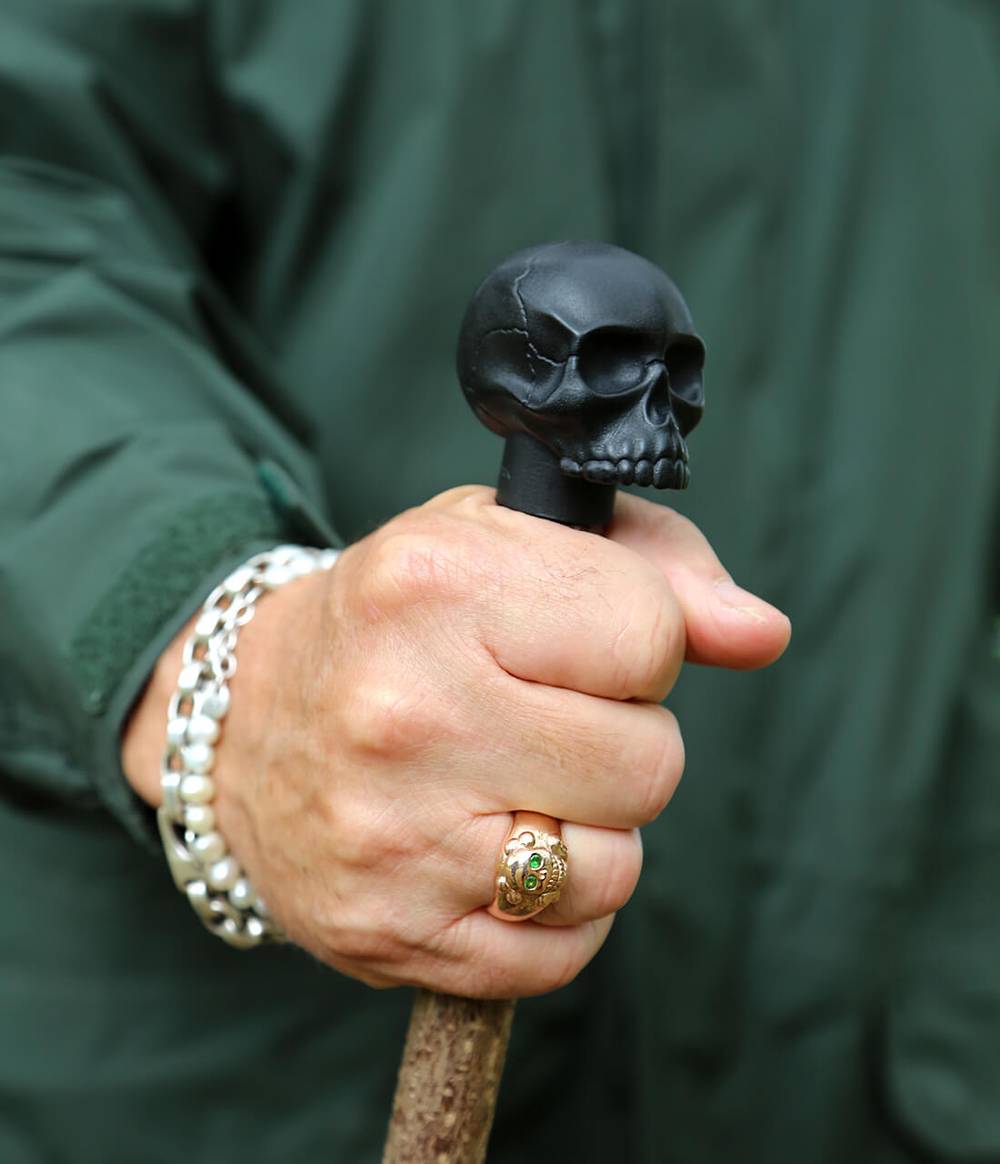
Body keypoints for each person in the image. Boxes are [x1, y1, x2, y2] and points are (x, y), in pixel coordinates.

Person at [1, 3, 997, 1162]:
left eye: (669, 381)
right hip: (225, 1084)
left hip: (895, 1073)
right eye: (617, 372)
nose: (656, 419)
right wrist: (219, 652)